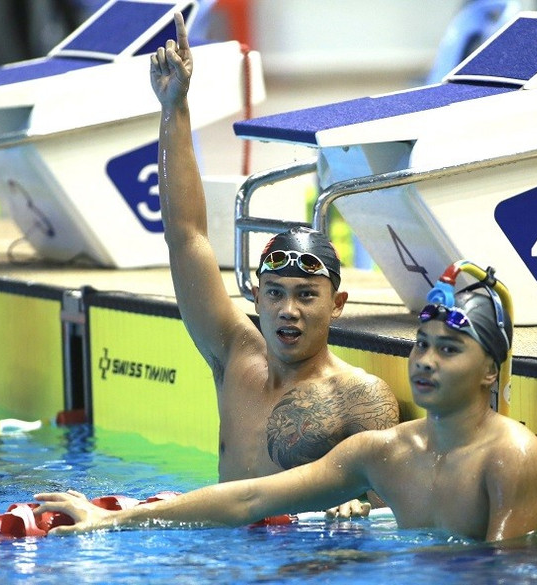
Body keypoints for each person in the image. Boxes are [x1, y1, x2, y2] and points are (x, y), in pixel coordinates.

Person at [34, 281, 537, 542]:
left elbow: (505, 574)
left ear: (490, 371)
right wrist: (117, 519)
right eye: (421, 344)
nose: (424, 361)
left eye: (449, 349)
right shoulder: (382, 452)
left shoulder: (512, 457)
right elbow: (251, 497)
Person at [142, 12, 398, 513]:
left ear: (338, 304)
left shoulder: (360, 397)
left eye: (307, 295)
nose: (288, 309)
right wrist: (175, 108)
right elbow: (186, 236)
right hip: (226, 554)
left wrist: (364, 508)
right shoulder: (235, 356)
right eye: (275, 293)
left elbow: (397, 507)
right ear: (255, 297)